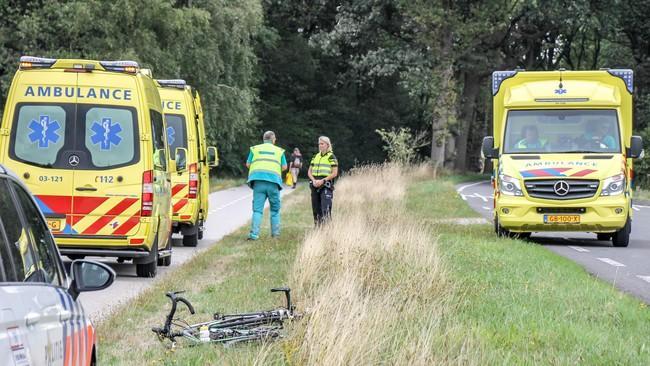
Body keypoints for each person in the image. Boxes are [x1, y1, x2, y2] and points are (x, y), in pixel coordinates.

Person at [245, 131, 287, 240]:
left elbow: (248, 164)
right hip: (274, 183)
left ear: (263, 139)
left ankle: (254, 235)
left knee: (257, 210)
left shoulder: (255, 149)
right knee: (275, 210)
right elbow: (284, 167)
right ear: (273, 140)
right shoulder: (279, 151)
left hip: (258, 182)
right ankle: (275, 235)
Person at [307, 136, 338, 225]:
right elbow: (309, 172)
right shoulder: (315, 156)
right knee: (316, 210)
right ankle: (318, 231)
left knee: (326, 210)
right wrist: (313, 180)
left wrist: (323, 181)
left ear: (327, 145)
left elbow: (334, 173)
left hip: (325, 186)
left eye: (322, 144)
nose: (320, 146)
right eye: (319, 144)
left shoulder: (332, 157)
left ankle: (327, 232)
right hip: (314, 185)